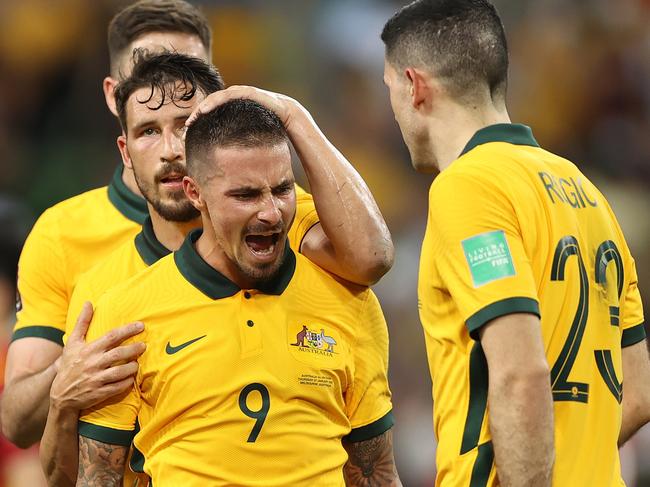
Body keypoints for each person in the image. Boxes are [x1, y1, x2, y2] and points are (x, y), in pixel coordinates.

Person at [2, 0, 394, 450]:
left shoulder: (269, 208)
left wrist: (292, 115)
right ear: (116, 97)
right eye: (149, 74)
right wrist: (67, 376)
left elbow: (371, 258)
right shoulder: (62, 234)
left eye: (187, 84)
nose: (170, 144)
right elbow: (17, 421)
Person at [380, 0, 650, 486]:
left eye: (389, 89)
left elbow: (520, 371)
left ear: (414, 86)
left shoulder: (469, 186)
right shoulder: (586, 191)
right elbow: (639, 393)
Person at [73, 98, 400, 486]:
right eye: (245, 195)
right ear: (195, 194)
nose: (271, 213)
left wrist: (294, 114)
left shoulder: (350, 303)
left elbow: (375, 472)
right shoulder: (126, 314)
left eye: (281, 190)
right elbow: (98, 478)